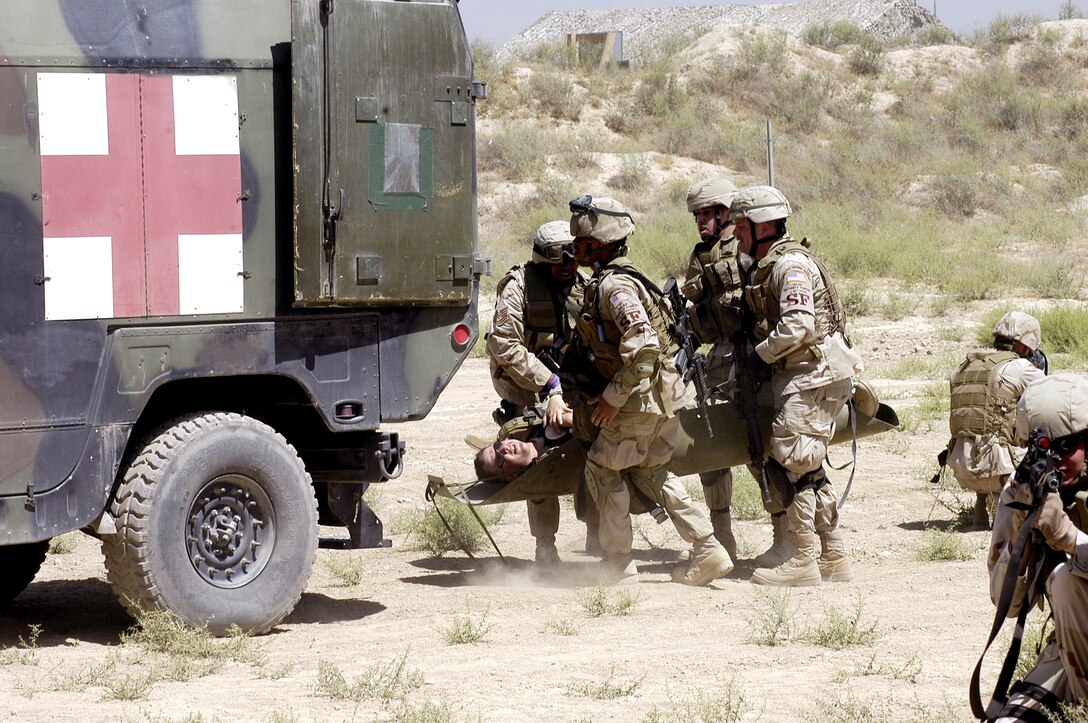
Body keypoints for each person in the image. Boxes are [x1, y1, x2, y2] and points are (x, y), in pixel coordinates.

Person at [565, 194, 733, 585]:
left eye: (582, 242)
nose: (577, 249)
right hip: (664, 397)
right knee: (654, 471)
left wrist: (612, 397)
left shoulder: (615, 287)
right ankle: (708, 549)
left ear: (596, 242)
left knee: (603, 468)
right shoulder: (625, 276)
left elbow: (644, 348)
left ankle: (618, 564)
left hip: (639, 398)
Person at [730, 185, 864, 587]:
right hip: (810, 376)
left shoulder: (789, 266)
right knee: (807, 465)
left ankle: (804, 559)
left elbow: (799, 325)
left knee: (793, 465)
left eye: (741, 227)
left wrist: (759, 356)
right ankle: (834, 555)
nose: (736, 235)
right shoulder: (775, 262)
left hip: (810, 377)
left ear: (764, 226)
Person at [485, 221, 594, 565]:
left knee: (593, 447)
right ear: (542, 261)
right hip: (525, 384)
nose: (568, 268)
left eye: (573, 260)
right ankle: (545, 547)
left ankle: (597, 529)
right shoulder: (518, 287)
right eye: (560, 263)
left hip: (570, 380)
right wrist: (549, 383)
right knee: (539, 460)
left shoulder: (583, 285)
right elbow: (504, 344)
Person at [987, 374, 1088, 720]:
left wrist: (1070, 539)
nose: (1055, 462)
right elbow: (1007, 604)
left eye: (1065, 447)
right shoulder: (1022, 492)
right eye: (1041, 448)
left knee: (1064, 579)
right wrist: (1020, 539)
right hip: (1074, 650)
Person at [946, 311, 1048, 529]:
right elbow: (1051, 398)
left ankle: (981, 505)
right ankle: (1001, 505)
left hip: (959, 467)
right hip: (996, 471)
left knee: (985, 423)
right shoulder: (1019, 368)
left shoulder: (964, 367)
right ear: (1024, 345)